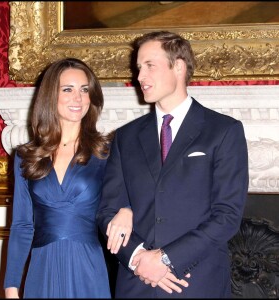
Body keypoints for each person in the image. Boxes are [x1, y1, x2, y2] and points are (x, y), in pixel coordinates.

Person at [97, 31, 249, 298]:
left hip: (197, 282)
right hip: (136, 283)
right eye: (138, 69)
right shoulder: (125, 137)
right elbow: (107, 211)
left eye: (149, 66)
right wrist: (138, 258)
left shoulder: (223, 131)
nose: (140, 77)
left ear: (178, 66)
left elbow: (227, 216)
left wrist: (165, 259)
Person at [3, 57, 132, 298]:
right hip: (42, 269)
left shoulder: (106, 152)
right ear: (50, 96)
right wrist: (11, 287)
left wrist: (127, 209)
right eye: (68, 89)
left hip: (89, 267)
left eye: (84, 90)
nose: (78, 98)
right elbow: (22, 225)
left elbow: (131, 195)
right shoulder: (26, 156)